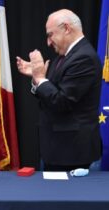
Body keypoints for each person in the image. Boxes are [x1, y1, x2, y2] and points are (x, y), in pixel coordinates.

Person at [16, 9, 102, 171]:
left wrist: (41, 78)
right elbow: (51, 92)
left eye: (50, 35)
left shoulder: (84, 58)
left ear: (67, 28)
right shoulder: (64, 57)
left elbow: (62, 101)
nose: (48, 42)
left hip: (73, 155)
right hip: (57, 151)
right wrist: (37, 78)